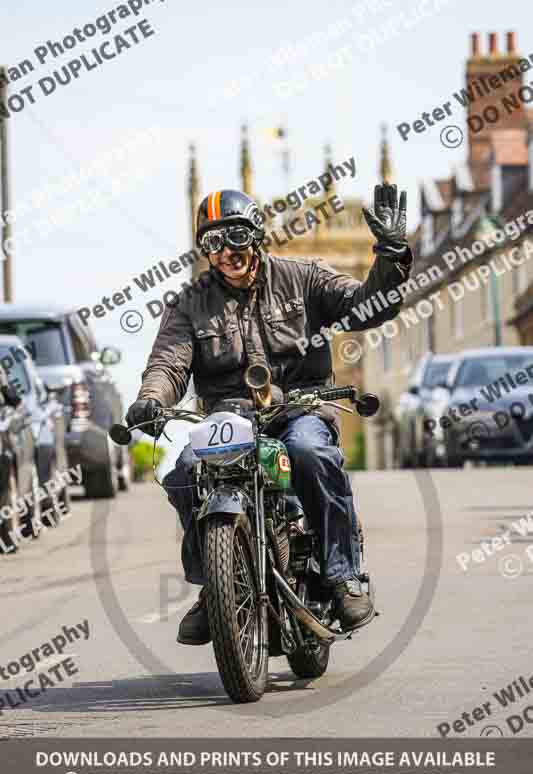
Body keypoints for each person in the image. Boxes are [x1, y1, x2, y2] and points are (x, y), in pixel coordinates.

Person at [127, 184, 412, 645]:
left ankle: (343, 575)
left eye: (236, 237)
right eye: (213, 243)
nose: (227, 252)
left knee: (308, 450)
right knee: (182, 471)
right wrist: (151, 398)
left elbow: (368, 305)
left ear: (257, 235)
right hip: (228, 417)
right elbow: (168, 363)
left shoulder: (305, 277)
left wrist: (392, 254)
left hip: (299, 406)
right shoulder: (188, 304)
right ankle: (215, 584)